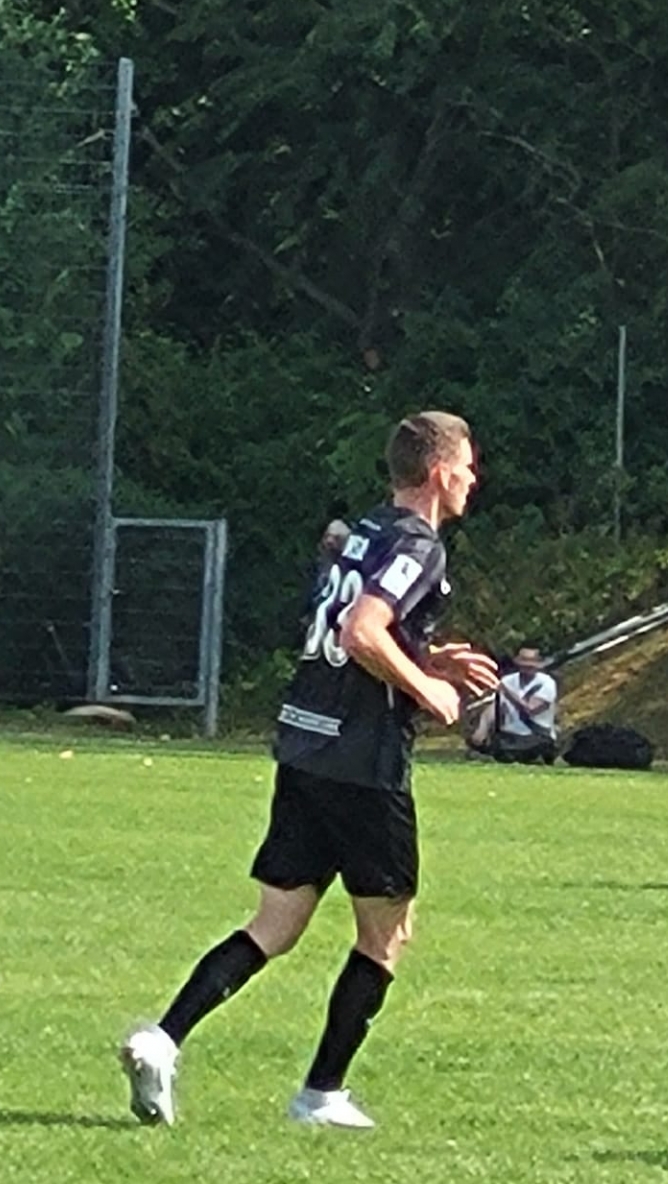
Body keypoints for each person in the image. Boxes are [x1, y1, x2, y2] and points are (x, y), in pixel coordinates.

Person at [120, 411, 497, 1129]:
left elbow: (350, 627)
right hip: (362, 763)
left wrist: (424, 655)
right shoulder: (419, 544)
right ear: (440, 471)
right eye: (468, 465)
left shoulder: (366, 531)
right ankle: (321, 1094)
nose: (474, 478)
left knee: (277, 922)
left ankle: (161, 1040)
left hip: (305, 746)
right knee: (387, 935)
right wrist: (428, 688)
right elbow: (361, 633)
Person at [493, 646, 558, 763]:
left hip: (536, 736)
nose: (527, 668)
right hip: (509, 734)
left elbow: (530, 710)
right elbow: (495, 707)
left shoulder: (547, 683)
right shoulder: (507, 681)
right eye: (524, 665)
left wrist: (508, 693)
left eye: (531, 665)